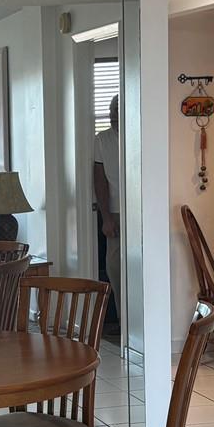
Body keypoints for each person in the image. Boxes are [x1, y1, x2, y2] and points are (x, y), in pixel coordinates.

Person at [92, 94, 122, 326]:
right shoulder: (102, 140)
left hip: (141, 212)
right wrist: (106, 218)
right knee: (115, 269)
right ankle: (124, 324)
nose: (114, 115)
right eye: (112, 110)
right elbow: (100, 180)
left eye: (118, 111)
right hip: (114, 213)